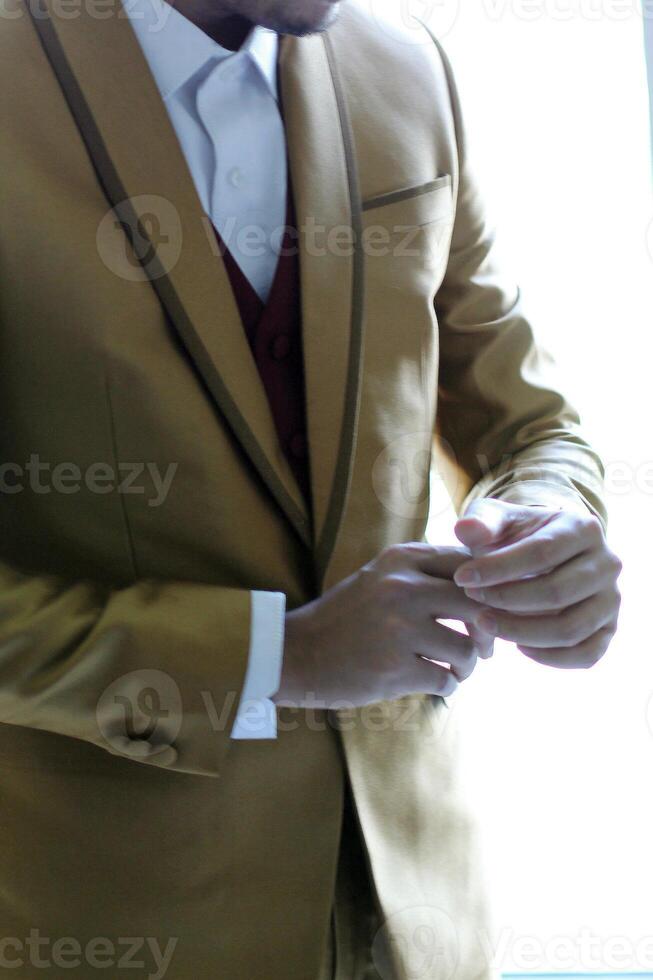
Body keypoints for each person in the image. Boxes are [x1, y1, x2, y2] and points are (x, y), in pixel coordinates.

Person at [0, 0, 622, 976]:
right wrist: (275, 658)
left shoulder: (407, 67)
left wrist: (547, 525)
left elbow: (531, 423)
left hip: (422, 924)